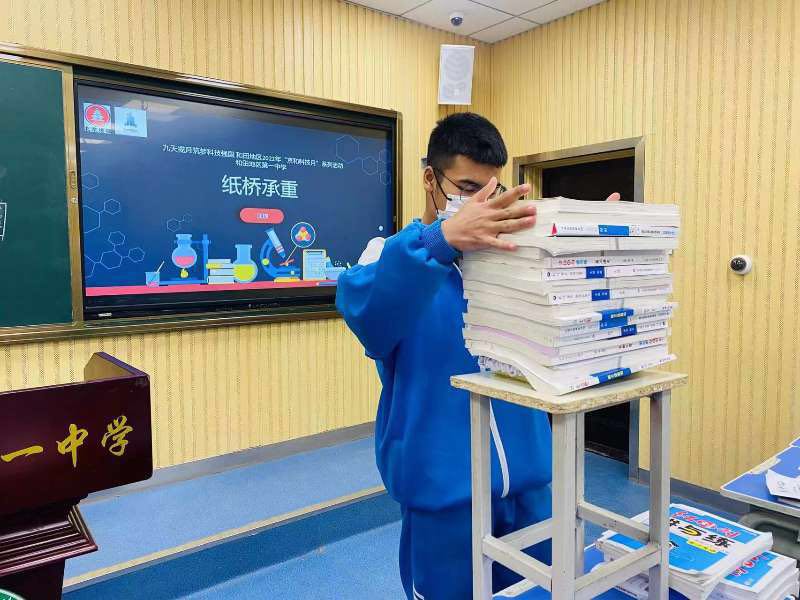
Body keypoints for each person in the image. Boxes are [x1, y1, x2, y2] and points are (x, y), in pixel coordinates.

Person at [336, 113, 617, 599]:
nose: (481, 203)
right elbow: (369, 316)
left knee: (538, 591)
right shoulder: (385, 255)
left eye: (492, 189)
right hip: (443, 490)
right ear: (430, 179)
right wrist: (440, 241)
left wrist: (592, 250)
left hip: (529, 481)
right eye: (467, 188)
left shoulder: (507, 257)